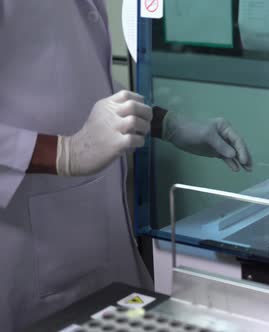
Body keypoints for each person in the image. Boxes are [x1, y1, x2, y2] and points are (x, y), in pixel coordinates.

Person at [0, 2, 252, 330]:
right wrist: (64, 152)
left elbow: (84, 84)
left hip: (96, 262)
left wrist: (166, 124)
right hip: (28, 265)